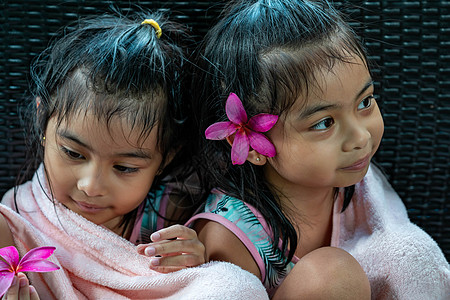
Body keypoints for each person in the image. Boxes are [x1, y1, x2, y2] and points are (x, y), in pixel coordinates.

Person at [187, 0, 450, 299]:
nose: (360, 137)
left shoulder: (358, 185)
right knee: (333, 274)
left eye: (365, 102)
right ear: (251, 147)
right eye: (324, 123)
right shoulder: (231, 237)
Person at [0, 10, 268, 300]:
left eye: (125, 168)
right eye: (73, 154)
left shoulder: (172, 210)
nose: (90, 186)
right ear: (42, 119)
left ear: (164, 158)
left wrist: (193, 258)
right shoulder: (17, 215)